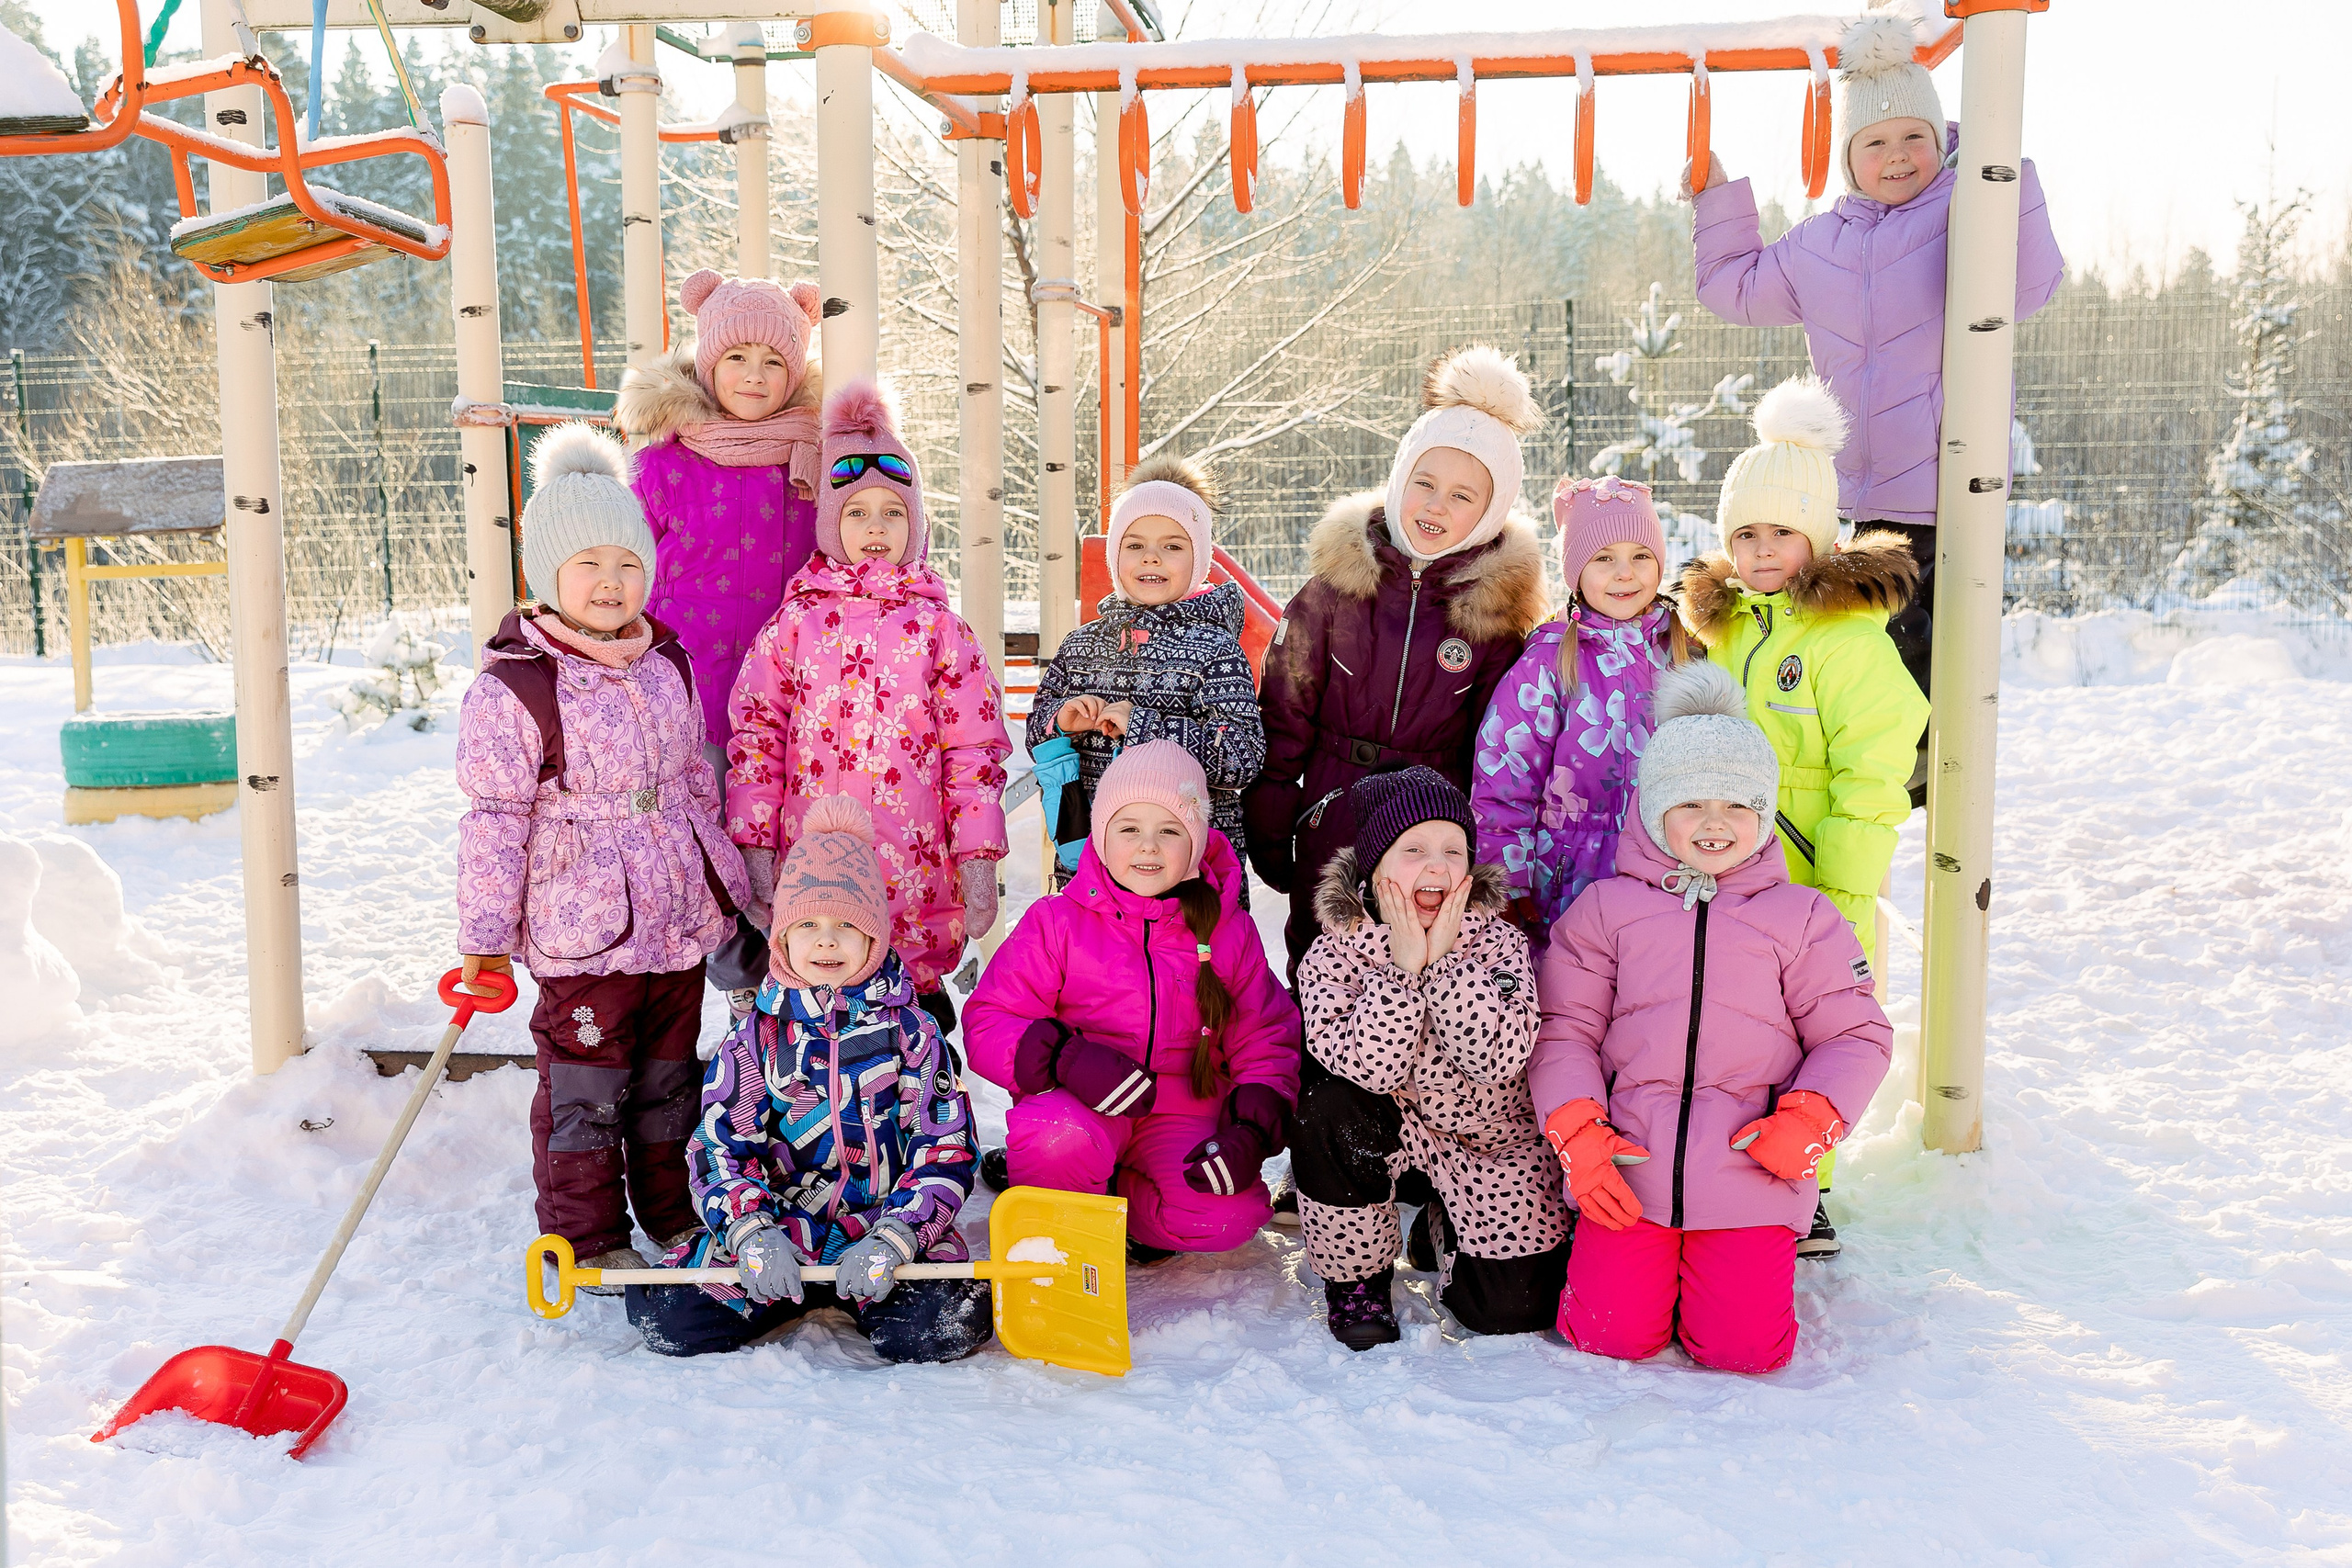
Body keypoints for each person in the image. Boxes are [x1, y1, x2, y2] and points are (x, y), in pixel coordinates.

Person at [1690, 4, 2063, 742]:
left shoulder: (1967, 207)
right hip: (1858, 499)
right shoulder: (1816, 246)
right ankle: (1883, 766)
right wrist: (1717, 197)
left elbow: (2029, 286)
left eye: (1915, 138)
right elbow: (1731, 286)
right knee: (1866, 652)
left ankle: (1920, 771)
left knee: (1928, 653)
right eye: (1877, 142)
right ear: (1849, 157)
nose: (1897, 156)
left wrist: (2007, 178)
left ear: (1941, 140)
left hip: (1946, 485)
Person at [1532, 660, 1891, 1372]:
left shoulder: (1802, 917)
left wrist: (1809, 1122)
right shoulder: (1606, 910)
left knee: (1745, 1349)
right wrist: (1578, 1130)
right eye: (1692, 803)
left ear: (1763, 812)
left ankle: (1719, 1281)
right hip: (1630, 1169)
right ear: (1654, 808)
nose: (1715, 824)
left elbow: (1854, 1034)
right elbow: (1563, 1029)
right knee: (1609, 1334)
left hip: (1750, 1170)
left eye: (1737, 805)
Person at [455, 423, 752, 1287]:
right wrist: (483, 937)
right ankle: (585, 1234)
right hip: (582, 928)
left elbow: (696, 786)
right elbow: (493, 820)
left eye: (628, 564)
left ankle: (674, 1211)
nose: (613, 582)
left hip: (673, 925)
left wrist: (727, 894)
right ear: (546, 579)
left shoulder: (668, 661)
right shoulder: (518, 687)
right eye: (589, 565)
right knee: (589, 1090)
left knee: (669, 1079)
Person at [1679, 379, 1925, 1258]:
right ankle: (1734, 1162)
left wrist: (1850, 873)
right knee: (1738, 1019)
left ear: (1818, 537)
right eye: (1745, 533)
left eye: (1782, 531)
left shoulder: (1845, 637)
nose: (1762, 548)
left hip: (1821, 873)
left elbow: (1880, 755)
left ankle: (1809, 1183)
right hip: (1734, 868)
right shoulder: (1730, 628)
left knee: (1813, 1023)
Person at [627, 795, 992, 1364]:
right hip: (782, 1236)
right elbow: (722, 1148)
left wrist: (898, 1237)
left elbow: (944, 1149)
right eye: (809, 924)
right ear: (782, 939)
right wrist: (749, 1232)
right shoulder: (755, 1040)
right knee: (665, 1316)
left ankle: (882, 1276)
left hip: (881, 1235)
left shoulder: (913, 1035)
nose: (827, 940)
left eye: (847, 925)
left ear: (875, 939)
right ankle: (767, 1276)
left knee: (940, 1325)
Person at [1244, 345, 1550, 976]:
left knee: (1419, 961)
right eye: (1425, 483)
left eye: (1463, 496)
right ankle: (1312, 1070)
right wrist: (1274, 818)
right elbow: (1283, 707)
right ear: (1398, 479)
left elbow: (1494, 752)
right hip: (1333, 811)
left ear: (1490, 514)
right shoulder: (1336, 590)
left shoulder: (1493, 621)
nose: (1436, 506)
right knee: (1321, 955)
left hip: (1431, 832)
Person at [724, 379, 1010, 1041]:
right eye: (856, 513)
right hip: (816, 876)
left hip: (916, 881)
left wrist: (978, 859)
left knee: (915, 1025)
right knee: (812, 1025)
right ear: (829, 521)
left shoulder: (943, 633)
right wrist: (757, 846)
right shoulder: (794, 625)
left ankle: (923, 1128)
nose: (875, 528)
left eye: (892, 513)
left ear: (917, 526)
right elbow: (757, 736)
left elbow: (974, 754)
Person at [965, 741, 1300, 1262]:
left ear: (1194, 842)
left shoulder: (1227, 931)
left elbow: (1265, 1033)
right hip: (1079, 1102)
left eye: (1169, 830)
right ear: (1101, 837)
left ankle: (1115, 1207)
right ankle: (1058, 1218)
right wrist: (1064, 1059)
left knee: (1229, 1215)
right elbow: (991, 1019)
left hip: (1181, 1106)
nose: (1148, 847)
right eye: (1129, 829)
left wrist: (1251, 1126)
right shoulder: (1058, 922)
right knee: (1059, 1138)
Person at [1293, 767, 1571, 1350]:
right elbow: (1373, 1070)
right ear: (1375, 868)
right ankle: (1358, 1280)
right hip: (1385, 1128)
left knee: (1511, 1307)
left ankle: (1444, 1224)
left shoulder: (1501, 942)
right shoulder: (1332, 951)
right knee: (1328, 1105)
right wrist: (1402, 967)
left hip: (1489, 1135)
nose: (1437, 866)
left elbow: (1497, 1058)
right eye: (1414, 849)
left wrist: (1445, 964)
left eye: (1453, 850)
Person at [617, 268, 825, 1014]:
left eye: (775, 361)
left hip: (795, 702)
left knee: (785, 837)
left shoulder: (815, 459)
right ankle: (739, 990)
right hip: (694, 696)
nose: (755, 376)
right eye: (737, 358)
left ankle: (800, 981)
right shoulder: (664, 463)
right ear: (707, 362)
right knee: (710, 844)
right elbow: (627, 568)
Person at [1027, 452, 1264, 892]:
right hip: (1092, 870)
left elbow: (1242, 757)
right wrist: (1061, 721)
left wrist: (1144, 727)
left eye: (1172, 546)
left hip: (1189, 879)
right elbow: (1037, 733)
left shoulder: (1214, 650)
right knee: (1091, 963)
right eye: (1135, 545)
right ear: (1116, 556)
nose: (1151, 558)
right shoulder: (1081, 646)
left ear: (1199, 559)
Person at [1471, 473, 1688, 937]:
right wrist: (1506, 882)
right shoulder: (1548, 661)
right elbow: (1504, 779)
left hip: (1667, 873)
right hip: (1568, 880)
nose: (1624, 572)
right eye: (1603, 558)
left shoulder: (1686, 652)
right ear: (1575, 572)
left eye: (1641, 556)